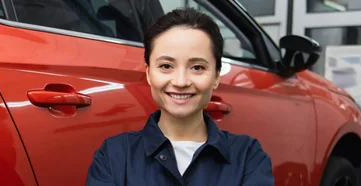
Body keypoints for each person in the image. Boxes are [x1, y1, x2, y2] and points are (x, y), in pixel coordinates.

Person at [86, 8, 275, 186]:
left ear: (216, 76)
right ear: (149, 74)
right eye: (166, 66)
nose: (181, 81)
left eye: (197, 67)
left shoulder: (248, 156)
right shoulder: (113, 155)